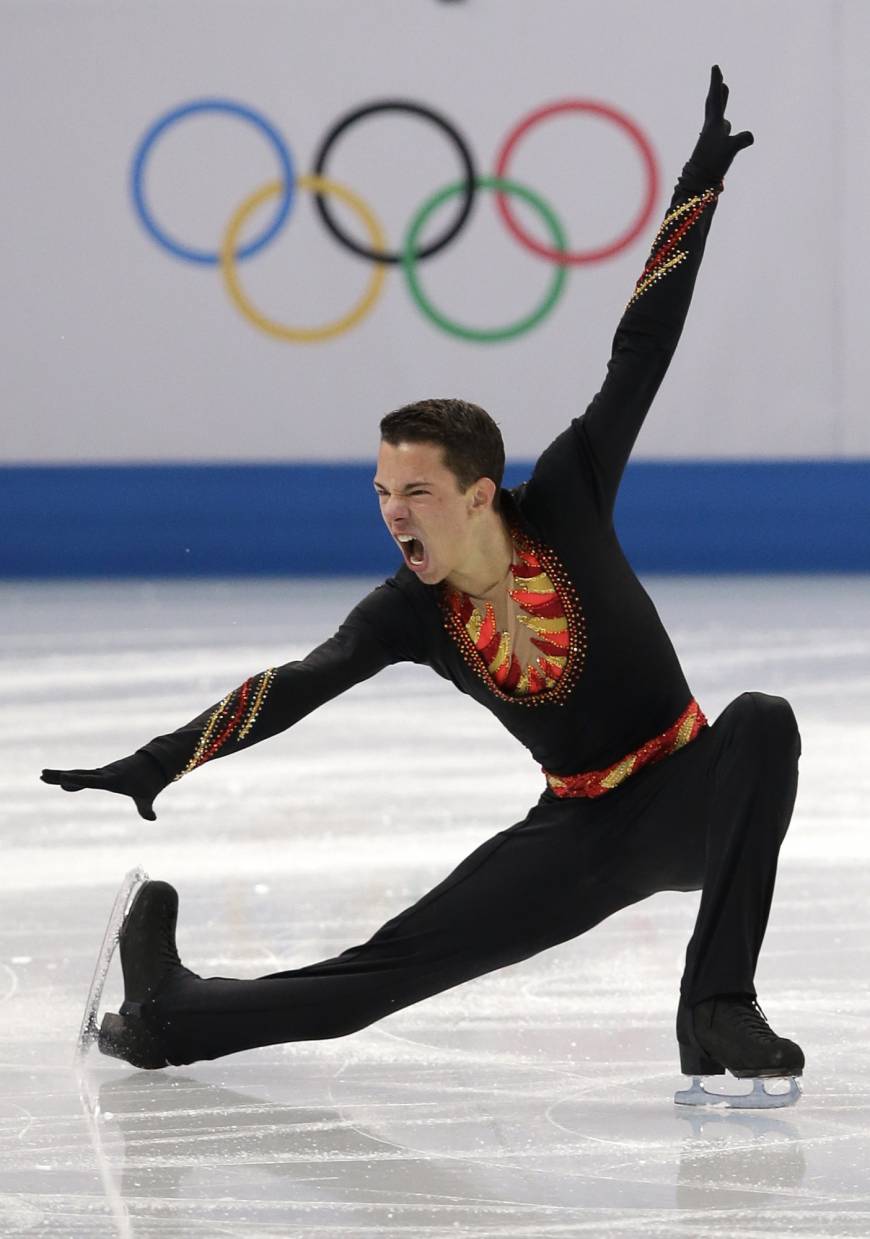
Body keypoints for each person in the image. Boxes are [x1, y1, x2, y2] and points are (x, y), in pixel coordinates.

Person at [43, 67, 805, 1095]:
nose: (392, 510)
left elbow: (643, 348)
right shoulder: (411, 612)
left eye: (415, 491)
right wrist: (157, 761)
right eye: (379, 490)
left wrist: (698, 185)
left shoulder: (568, 498)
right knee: (375, 979)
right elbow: (294, 685)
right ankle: (167, 1016)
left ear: (481, 492)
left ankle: (716, 1006)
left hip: (690, 795)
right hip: (576, 832)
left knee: (763, 719)